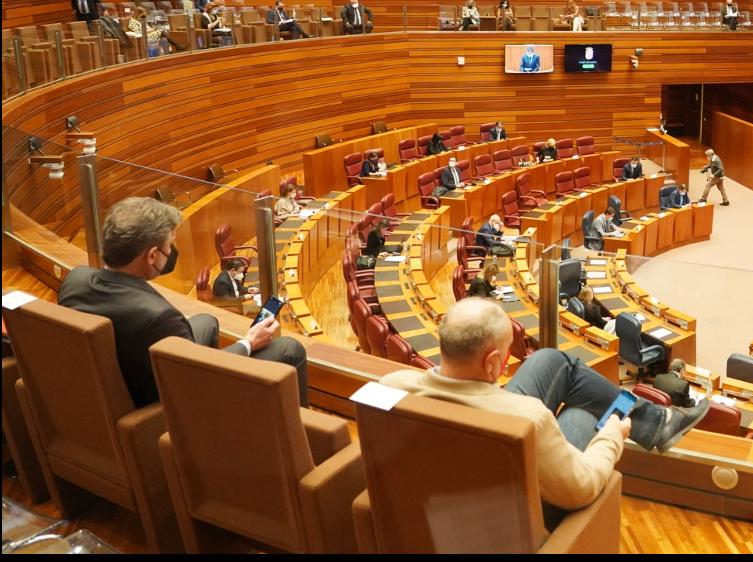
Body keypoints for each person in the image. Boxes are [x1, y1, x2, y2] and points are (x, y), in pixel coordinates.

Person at [380, 299, 708, 522]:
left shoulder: (390, 386)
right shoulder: (527, 419)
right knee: (586, 413)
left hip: (432, 496)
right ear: (493, 361)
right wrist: (611, 437)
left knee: (549, 360)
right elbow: (580, 490)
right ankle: (650, 424)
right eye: (507, 355)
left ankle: (657, 423)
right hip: (514, 514)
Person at [57, 197, 307, 408]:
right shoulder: (158, 317)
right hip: (169, 403)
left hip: (122, 373)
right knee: (289, 349)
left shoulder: (76, 279)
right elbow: (195, 379)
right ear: (152, 255)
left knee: (207, 321)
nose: (172, 251)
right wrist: (248, 343)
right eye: (169, 246)